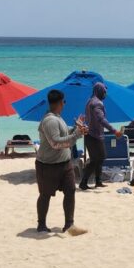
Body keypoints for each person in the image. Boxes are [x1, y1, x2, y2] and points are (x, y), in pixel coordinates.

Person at [35, 90, 87, 233]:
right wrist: (76, 134)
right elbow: (56, 143)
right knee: (45, 195)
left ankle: (69, 224)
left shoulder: (58, 118)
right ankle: (41, 225)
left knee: (70, 191)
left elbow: (63, 134)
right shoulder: (50, 120)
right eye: (64, 102)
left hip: (64, 163)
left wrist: (76, 129)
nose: (64, 105)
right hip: (48, 165)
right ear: (59, 103)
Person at [80, 82, 121, 190]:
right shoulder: (97, 103)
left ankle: (98, 181)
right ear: (99, 91)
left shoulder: (89, 101)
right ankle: (84, 182)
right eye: (104, 91)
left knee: (99, 158)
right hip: (94, 135)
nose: (105, 93)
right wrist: (114, 130)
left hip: (91, 135)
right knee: (97, 159)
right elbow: (101, 119)